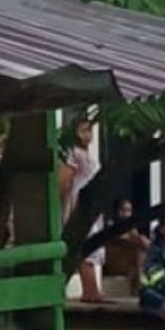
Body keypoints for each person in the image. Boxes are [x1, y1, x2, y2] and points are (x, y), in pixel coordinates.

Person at [57, 118, 106, 302]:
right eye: (83, 131)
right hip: (79, 203)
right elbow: (64, 180)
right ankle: (90, 290)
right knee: (84, 245)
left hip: (93, 206)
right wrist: (65, 206)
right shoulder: (72, 153)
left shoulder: (89, 154)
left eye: (89, 131)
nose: (87, 135)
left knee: (94, 247)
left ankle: (92, 289)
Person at [101, 197, 149, 282]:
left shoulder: (131, 228)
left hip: (130, 264)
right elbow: (119, 241)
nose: (125, 213)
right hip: (114, 263)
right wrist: (138, 239)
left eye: (128, 210)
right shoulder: (110, 226)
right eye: (123, 210)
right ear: (116, 211)